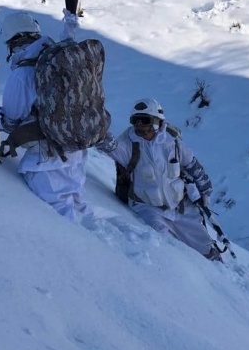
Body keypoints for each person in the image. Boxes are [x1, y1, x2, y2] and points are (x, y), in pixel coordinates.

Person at [0, 10, 97, 227]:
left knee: (59, 221)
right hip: (77, 147)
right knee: (78, 207)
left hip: (47, 160)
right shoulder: (59, 56)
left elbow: (12, 120)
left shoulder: (22, 74)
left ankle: (86, 257)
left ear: (12, 41)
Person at [95, 98, 223, 261]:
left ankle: (220, 272)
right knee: (165, 247)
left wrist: (206, 191)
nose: (139, 125)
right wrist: (95, 129)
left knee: (204, 246)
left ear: (157, 121)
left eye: (145, 120)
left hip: (180, 207)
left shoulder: (173, 142)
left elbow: (193, 166)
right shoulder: (128, 145)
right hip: (148, 209)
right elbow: (108, 145)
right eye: (135, 120)